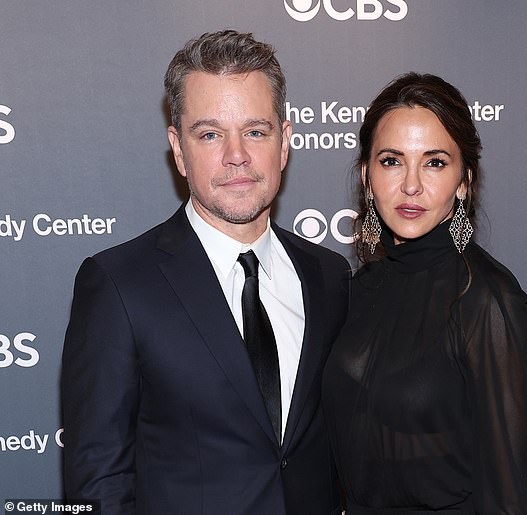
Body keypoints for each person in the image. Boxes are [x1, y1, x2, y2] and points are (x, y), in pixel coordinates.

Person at [62, 30, 349, 515]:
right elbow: (98, 482)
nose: (236, 155)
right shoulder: (118, 285)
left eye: (256, 131)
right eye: (210, 134)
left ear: (285, 142)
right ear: (178, 148)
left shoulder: (329, 275)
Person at [322, 73, 527, 514]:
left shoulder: (486, 300)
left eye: (435, 162)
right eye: (391, 161)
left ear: (464, 181)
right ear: (366, 175)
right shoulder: (356, 290)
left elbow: (506, 496)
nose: (412, 185)